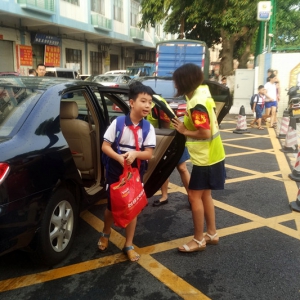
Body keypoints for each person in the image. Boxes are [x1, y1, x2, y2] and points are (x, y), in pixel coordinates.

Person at [98, 83, 156, 262]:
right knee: (111, 206)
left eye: (150, 102)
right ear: (132, 102)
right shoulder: (118, 123)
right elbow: (105, 146)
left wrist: (135, 154)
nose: (147, 105)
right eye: (143, 101)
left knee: (133, 208)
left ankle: (128, 244)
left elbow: (149, 154)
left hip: (136, 172)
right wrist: (119, 158)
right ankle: (106, 233)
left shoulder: (148, 128)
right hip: (116, 171)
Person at [171, 63, 226, 252]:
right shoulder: (201, 94)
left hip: (206, 159)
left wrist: (184, 130)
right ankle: (211, 234)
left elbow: (205, 133)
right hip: (212, 156)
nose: (175, 85)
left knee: (194, 196)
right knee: (205, 195)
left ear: (184, 82)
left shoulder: (197, 103)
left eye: (176, 82)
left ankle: (198, 240)